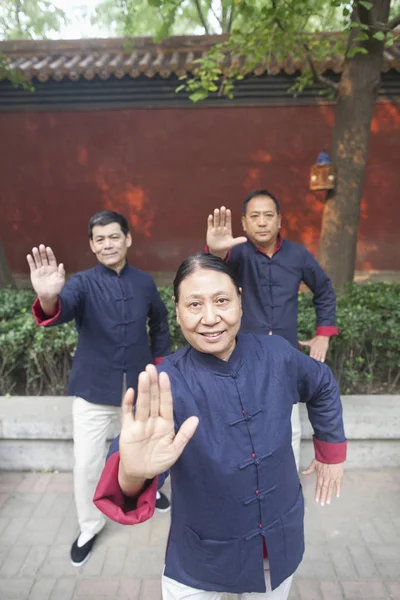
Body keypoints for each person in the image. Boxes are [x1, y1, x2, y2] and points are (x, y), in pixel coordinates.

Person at [94, 253, 346, 600]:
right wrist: (133, 474)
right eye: (194, 304)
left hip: (276, 540)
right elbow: (129, 468)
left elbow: (322, 384)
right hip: (202, 554)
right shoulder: (166, 383)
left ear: (241, 300)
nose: (210, 318)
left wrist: (331, 452)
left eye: (222, 301)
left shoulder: (276, 353)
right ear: (178, 310)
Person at [27, 210, 172, 567]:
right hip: (93, 390)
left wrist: (161, 361)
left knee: (146, 449)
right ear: (92, 246)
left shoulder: (143, 282)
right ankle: (89, 526)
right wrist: (48, 298)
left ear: (128, 239)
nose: (108, 244)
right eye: (100, 239)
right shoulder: (81, 283)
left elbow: (160, 319)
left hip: (139, 388)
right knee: (88, 462)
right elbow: (61, 309)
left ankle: (150, 492)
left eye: (114, 236)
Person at [206, 191, 339, 468]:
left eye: (269, 215)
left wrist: (323, 334)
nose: (262, 222)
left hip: (284, 354)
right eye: (255, 216)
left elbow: (324, 290)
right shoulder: (236, 255)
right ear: (244, 222)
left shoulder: (298, 255)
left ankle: (286, 484)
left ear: (279, 220)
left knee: (288, 427)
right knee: (241, 422)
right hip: (242, 353)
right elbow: (208, 278)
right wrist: (217, 252)